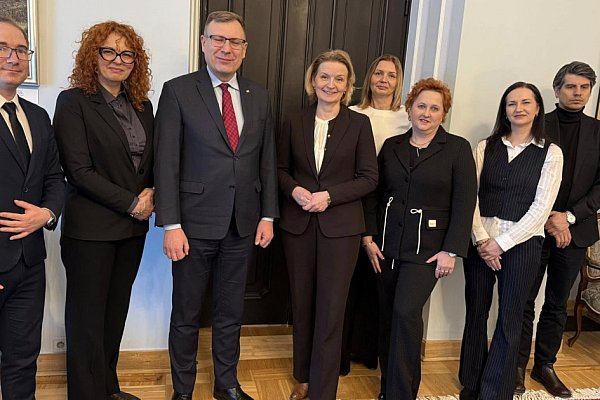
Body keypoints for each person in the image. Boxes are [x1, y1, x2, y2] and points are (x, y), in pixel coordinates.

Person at [154, 11, 278, 400]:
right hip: (191, 227)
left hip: (243, 224)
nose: (227, 48)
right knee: (186, 314)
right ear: (204, 43)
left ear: (245, 48)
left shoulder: (259, 95)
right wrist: (171, 224)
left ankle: (226, 384)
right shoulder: (178, 91)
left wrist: (268, 214)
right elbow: (166, 161)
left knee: (231, 312)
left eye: (235, 41)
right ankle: (183, 391)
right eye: (218, 39)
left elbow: (267, 160)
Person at [53, 21, 154, 400]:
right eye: (108, 51)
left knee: (114, 317)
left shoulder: (142, 105)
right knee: (87, 323)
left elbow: (152, 162)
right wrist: (132, 203)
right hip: (90, 232)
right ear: (92, 56)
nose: (118, 59)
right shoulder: (73, 102)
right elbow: (77, 171)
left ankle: (109, 389)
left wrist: (154, 192)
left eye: (127, 54)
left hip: (132, 232)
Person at [363, 78, 477, 400]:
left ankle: (399, 394)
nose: (426, 113)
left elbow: (464, 202)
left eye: (434, 108)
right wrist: (368, 237)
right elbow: (373, 194)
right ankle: (392, 387)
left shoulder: (457, 148)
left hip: (427, 252)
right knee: (388, 316)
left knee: (405, 312)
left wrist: (451, 250)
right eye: (421, 106)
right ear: (410, 108)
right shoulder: (392, 146)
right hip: (385, 247)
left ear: (443, 113)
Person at [278, 49, 378, 400]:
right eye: (324, 76)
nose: (330, 84)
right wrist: (295, 190)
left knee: (332, 309)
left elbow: (369, 178)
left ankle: (323, 390)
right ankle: (303, 377)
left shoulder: (359, 124)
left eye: (339, 78)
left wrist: (330, 196)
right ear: (313, 80)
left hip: (341, 230)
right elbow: (279, 170)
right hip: (298, 227)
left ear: (348, 85)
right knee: (302, 305)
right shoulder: (294, 121)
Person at [459, 82, 563, 400]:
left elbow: (541, 209)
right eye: (511, 103)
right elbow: (470, 197)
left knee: (510, 316)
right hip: (480, 242)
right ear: (504, 110)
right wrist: (482, 240)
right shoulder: (484, 147)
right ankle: (472, 382)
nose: (518, 108)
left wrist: (501, 244)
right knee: (476, 312)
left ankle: (496, 390)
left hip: (523, 245)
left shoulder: (550, 153)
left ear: (537, 108)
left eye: (525, 102)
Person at [516, 62, 600, 398]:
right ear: (556, 90)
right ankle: (516, 366)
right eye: (571, 86)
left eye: (584, 87)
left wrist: (570, 218)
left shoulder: (598, 131)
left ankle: (545, 365)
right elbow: (523, 176)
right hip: (534, 229)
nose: (578, 93)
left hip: (575, 232)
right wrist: (550, 218)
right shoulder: (537, 124)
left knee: (556, 303)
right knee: (523, 300)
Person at [0, 17, 64, 400]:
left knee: (23, 360)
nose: (13, 57)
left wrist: (48, 213)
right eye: (3, 48)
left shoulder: (38, 117)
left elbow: (55, 177)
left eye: (21, 50)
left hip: (29, 263)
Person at [340, 54, 410, 378]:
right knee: (348, 283)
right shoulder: (352, 114)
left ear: (398, 82)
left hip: (389, 209)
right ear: (368, 78)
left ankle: (368, 351)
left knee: (377, 282)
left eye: (391, 75)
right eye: (378, 73)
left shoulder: (407, 118)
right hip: (353, 204)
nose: (384, 80)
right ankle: (341, 353)